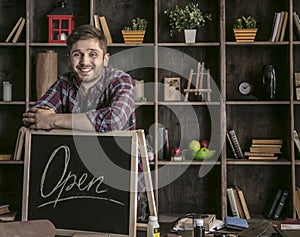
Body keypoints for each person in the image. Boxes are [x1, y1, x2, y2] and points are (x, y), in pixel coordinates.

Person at [23, 24, 136, 132]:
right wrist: (48, 119)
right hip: (72, 151)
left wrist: (53, 120)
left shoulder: (121, 81)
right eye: (77, 54)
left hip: (116, 152)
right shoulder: (64, 82)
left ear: (105, 59)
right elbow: (34, 119)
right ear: (69, 60)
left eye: (93, 54)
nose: (84, 62)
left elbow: (114, 120)